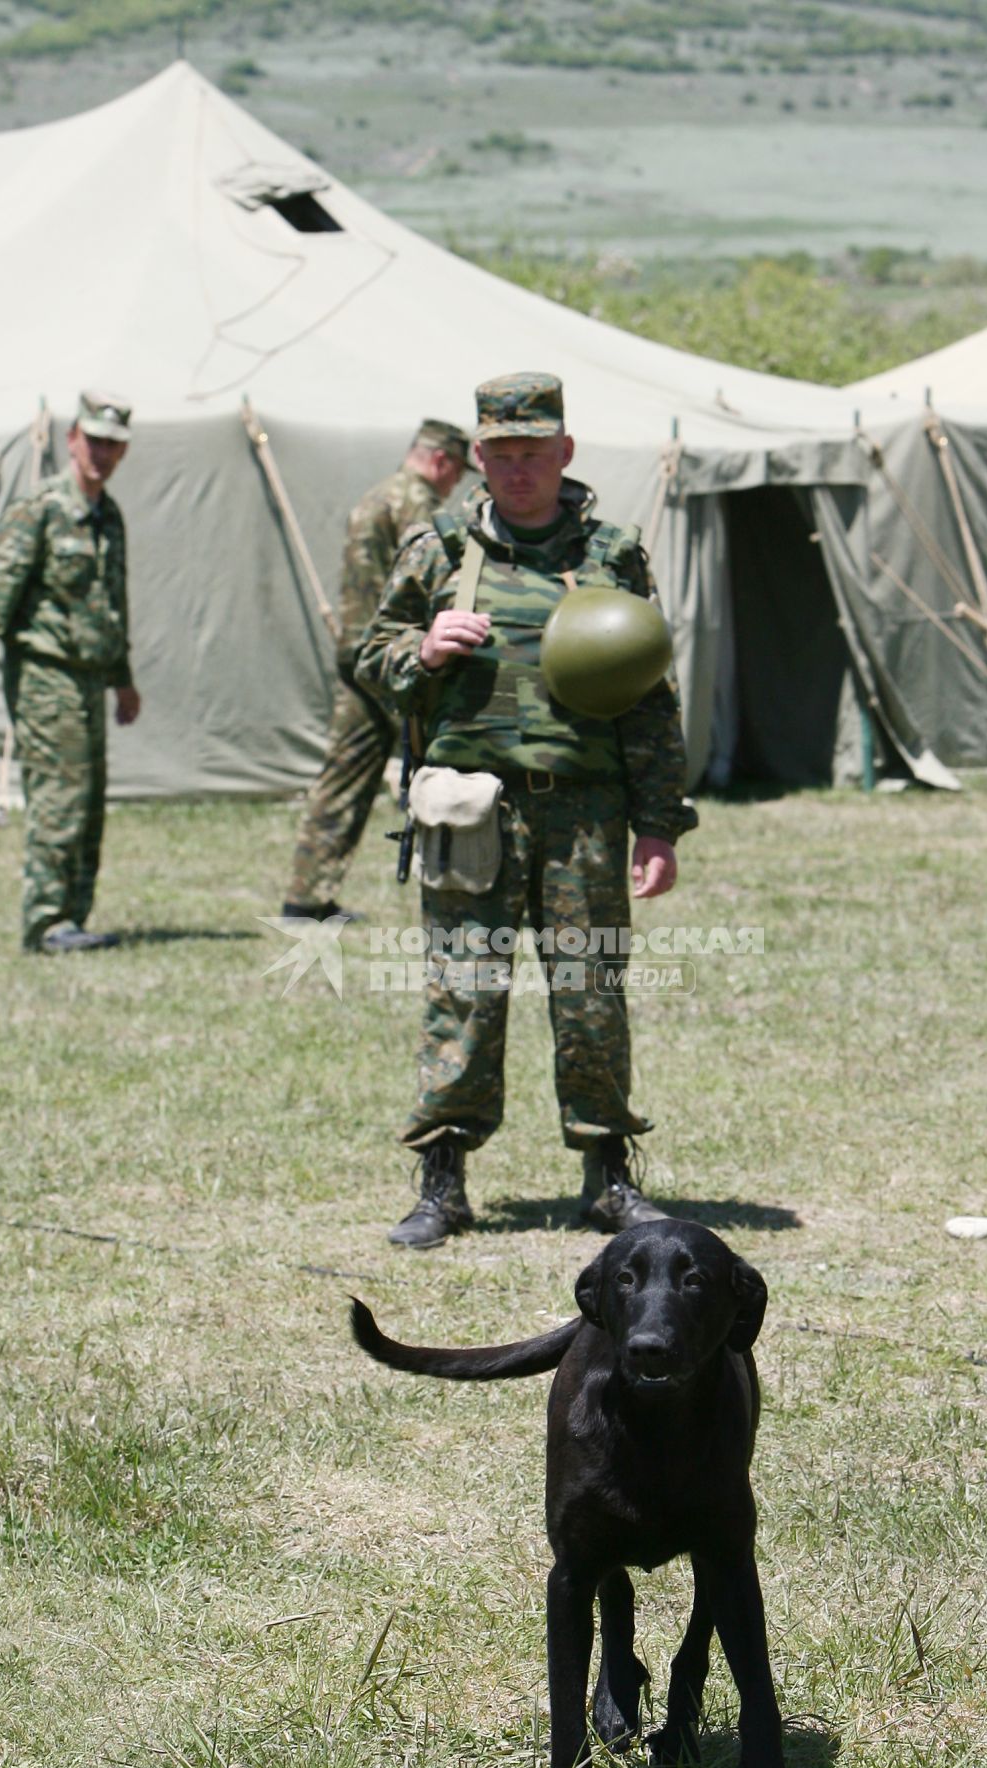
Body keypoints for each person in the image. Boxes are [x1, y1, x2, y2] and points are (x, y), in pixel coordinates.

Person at [355, 372, 694, 1249]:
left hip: (584, 814)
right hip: (472, 815)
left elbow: (651, 695)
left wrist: (658, 821)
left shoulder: (611, 553)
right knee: (463, 993)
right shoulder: (437, 551)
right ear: (478, 457)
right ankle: (444, 1180)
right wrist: (422, 648)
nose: (518, 471)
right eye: (501, 455)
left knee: (590, 995)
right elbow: (369, 654)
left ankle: (609, 1177)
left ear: (565, 453)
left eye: (533, 454)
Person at [0, 391, 139, 953]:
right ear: (72, 440)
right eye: (95, 441)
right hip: (44, 674)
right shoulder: (40, 508)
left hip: (88, 678)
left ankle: (72, 917)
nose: (102, 454)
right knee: (58, 798)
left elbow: (113, 605)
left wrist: (123, 678)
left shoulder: (109, 516)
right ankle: (46, 922)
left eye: (114, 445)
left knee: (87, 802)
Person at [282, 418, 471, 920]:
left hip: (359, 656)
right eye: (457, 473)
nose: (456, 484)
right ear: (441, 461)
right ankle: (465, 894)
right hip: (395, 664)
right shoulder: (418, 505)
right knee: (448, 771)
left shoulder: (376, 496)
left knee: (343, 779)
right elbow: (431, 585)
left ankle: (306, 894)